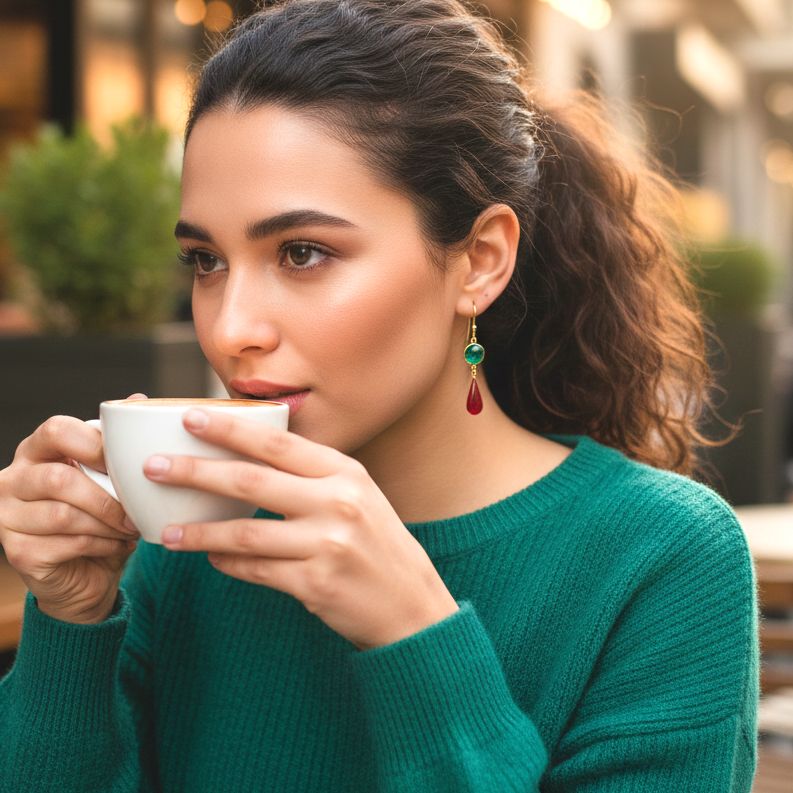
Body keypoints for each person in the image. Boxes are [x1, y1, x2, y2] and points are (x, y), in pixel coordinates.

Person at [0, 1, 759, 790]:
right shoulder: (187, 541)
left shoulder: (663, 558)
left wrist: (413, 632)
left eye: (302, 252)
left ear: (479, 261)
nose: (230, 329)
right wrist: (72, 619)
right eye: (205, 260)